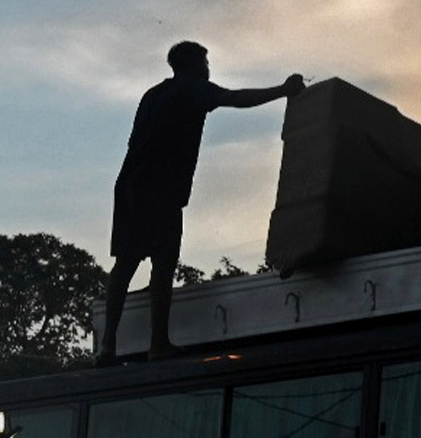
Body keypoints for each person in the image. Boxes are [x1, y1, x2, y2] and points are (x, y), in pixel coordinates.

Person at [97, 41, 306, 365]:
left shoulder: (153, 94)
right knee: (163, 263)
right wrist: (283, 90)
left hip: (129, 185)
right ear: (193, 64)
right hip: (160, 188)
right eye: (205, 61)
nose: (208, 67)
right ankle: (158, 344)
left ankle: (107, 347)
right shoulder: (192, 89)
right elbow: (234, 98)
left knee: (125, 263)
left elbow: (134, 140)